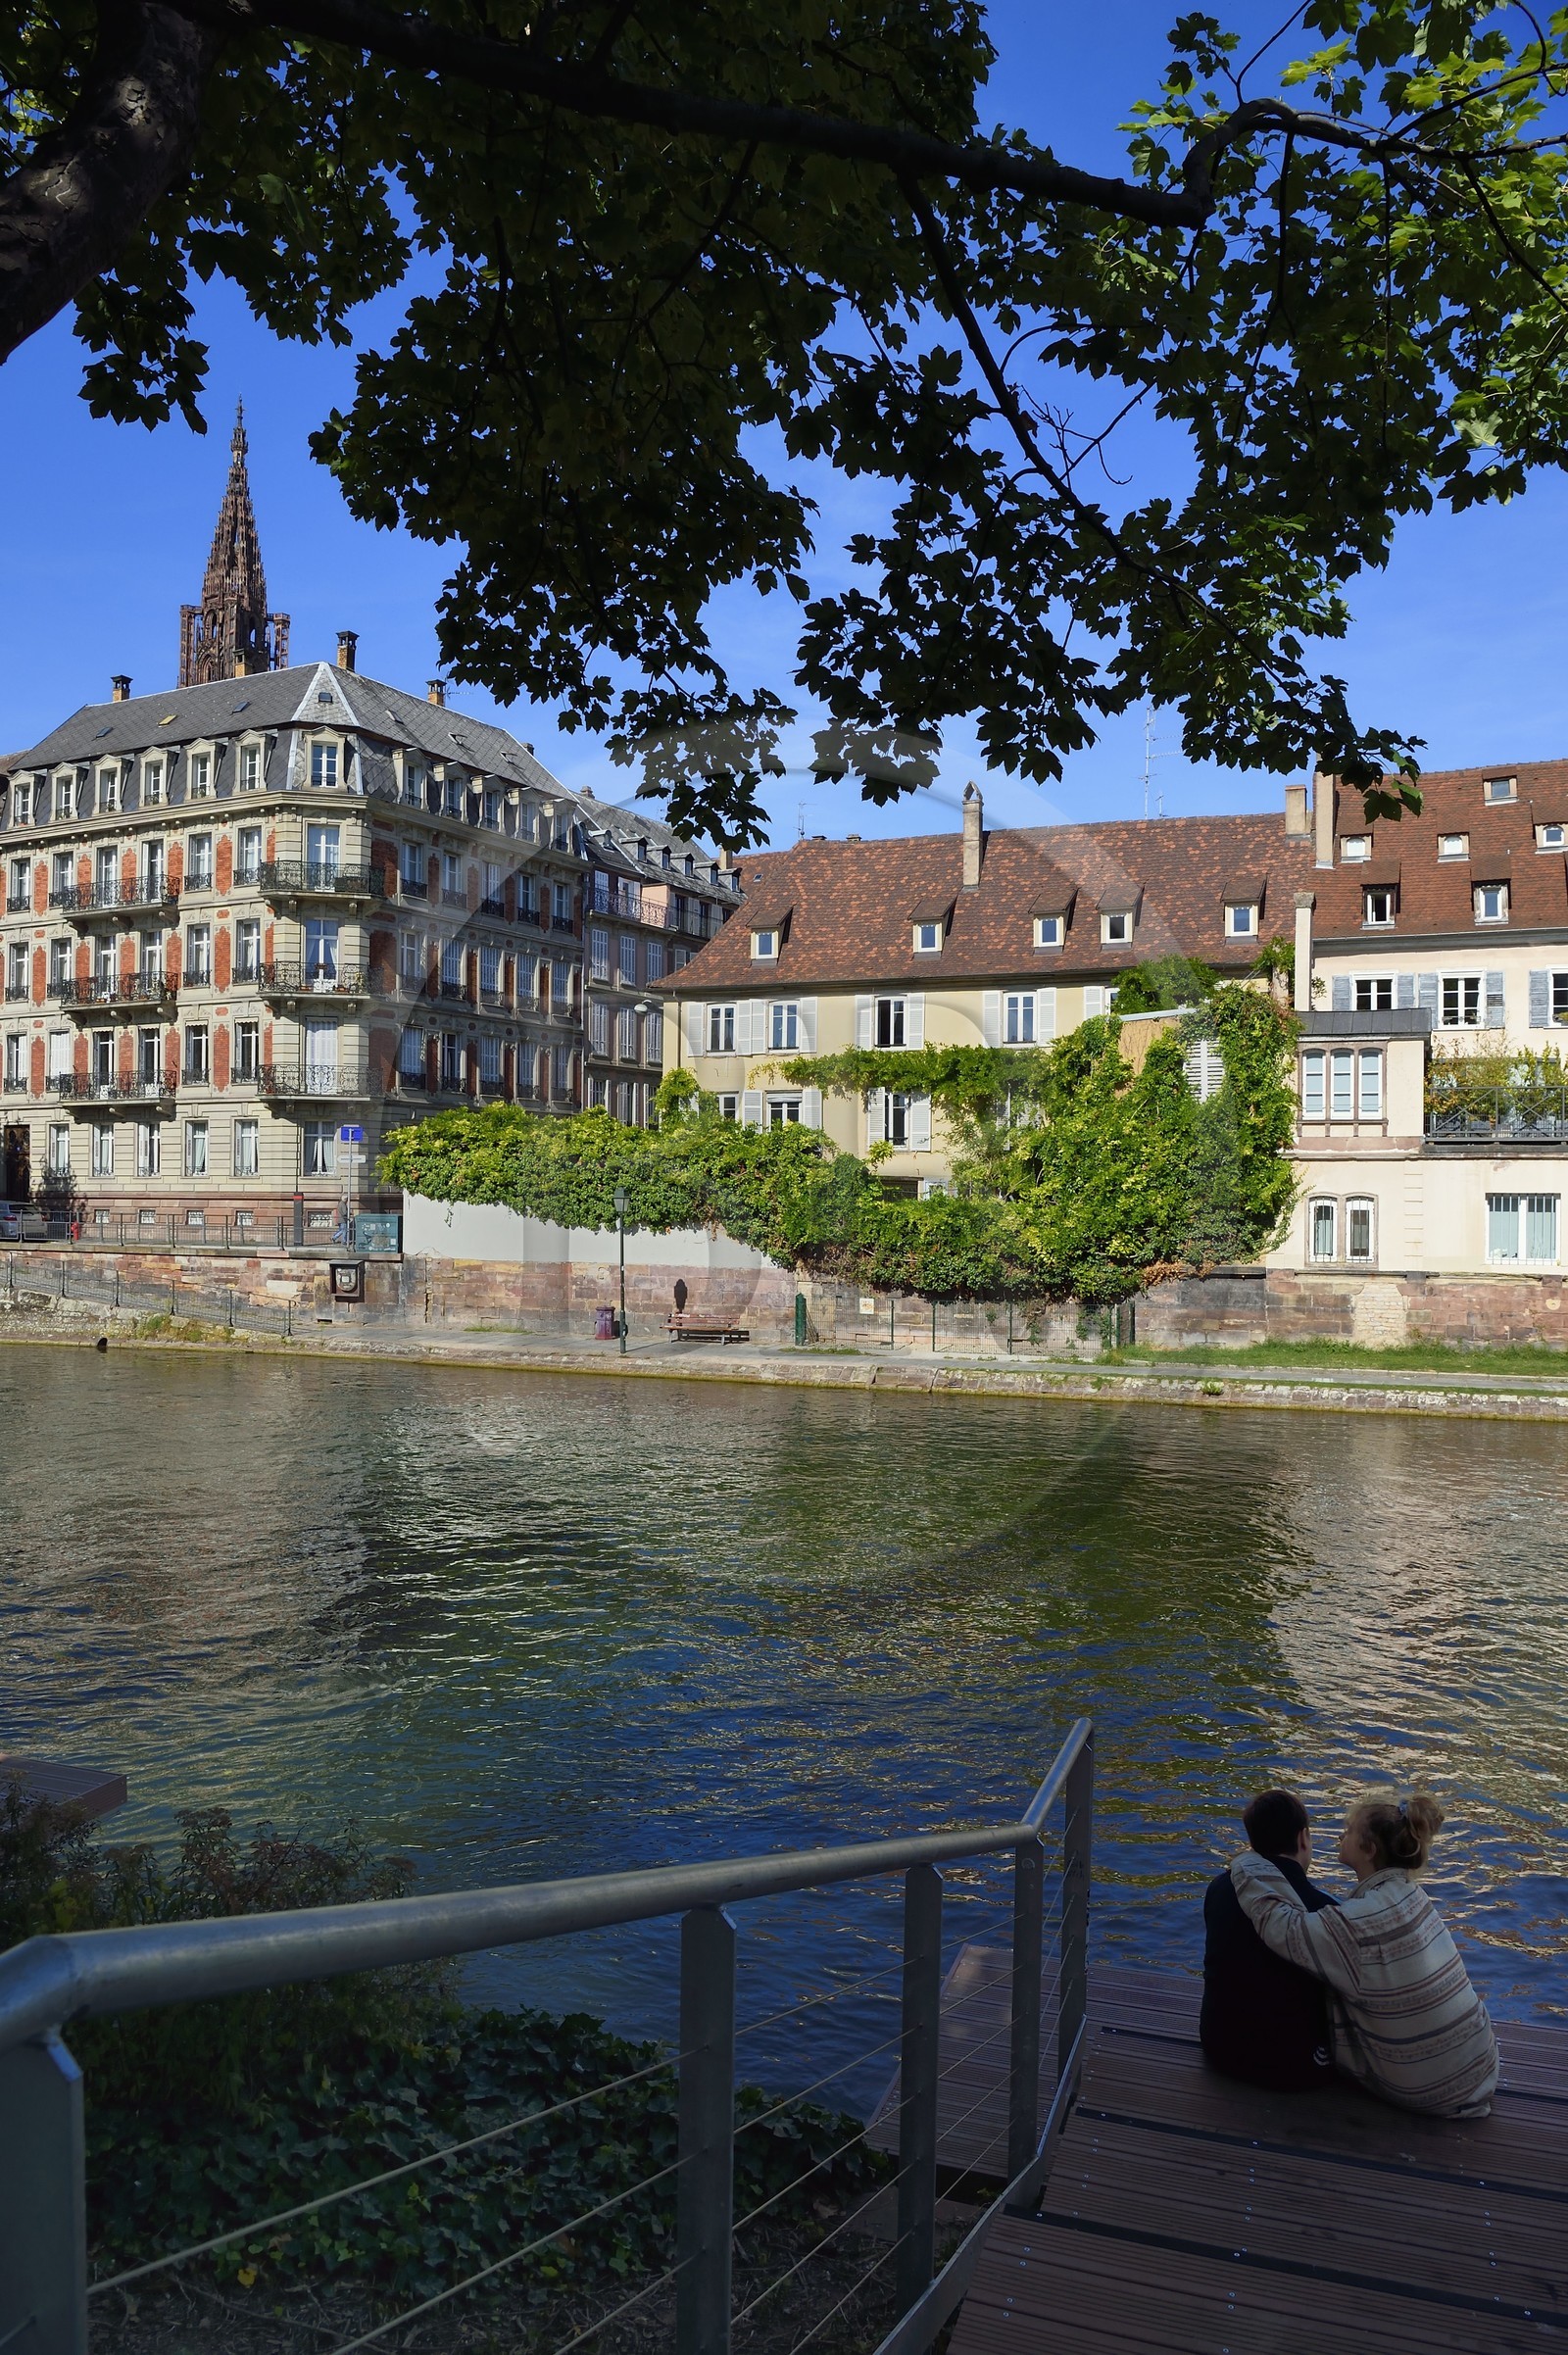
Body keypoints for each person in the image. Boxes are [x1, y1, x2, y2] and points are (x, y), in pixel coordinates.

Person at [1230, 1791, 1498, 2118]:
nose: (1341, 1835)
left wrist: (1247, 1863)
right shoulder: (1414, 1897)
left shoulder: (1355, 1923)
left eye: (1349, 1829)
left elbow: (1283, 1927)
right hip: (1482, 2066)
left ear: (1369, 1849)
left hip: (1434, 2090)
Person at [1200, 1789, 1338, 2089]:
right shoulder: (1325, 1910)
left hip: (1219, 2045)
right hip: (1293, 2064)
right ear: (1303, 1838)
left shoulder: (1221, 1888)